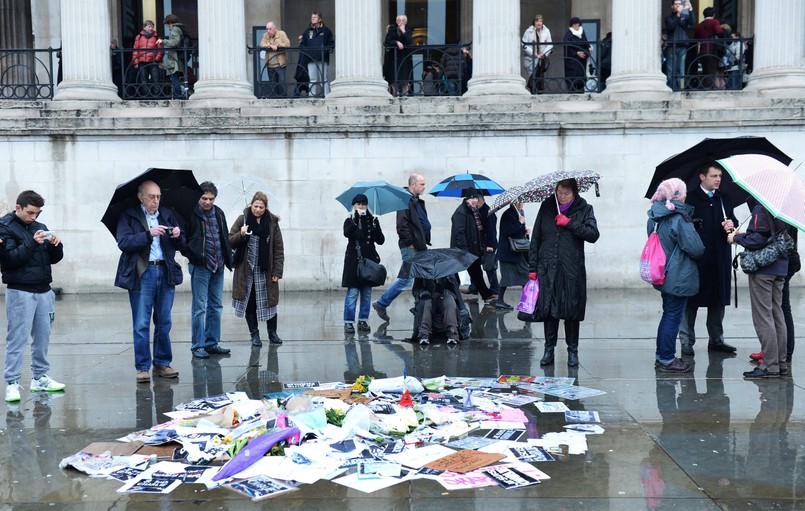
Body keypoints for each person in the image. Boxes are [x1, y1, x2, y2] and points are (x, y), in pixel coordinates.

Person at [115, 180, 185, 383]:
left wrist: (178, 235)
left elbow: (182, 243)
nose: (156, 201)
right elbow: (124, 242)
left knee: (164, 320)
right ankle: (143, 367)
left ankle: (162, 362)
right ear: (141, 197)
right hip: (142, 272)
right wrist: (148, 234)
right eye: (152, 197)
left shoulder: (166, 213)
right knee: (141, 322)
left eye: (158, 196)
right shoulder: (129, 215)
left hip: (165, 270)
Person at [526, 178, 599, 367]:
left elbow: (593, 235)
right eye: (559, 192)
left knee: (571, 310)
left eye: (566, 193)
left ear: (574, 193)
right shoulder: (547, 207)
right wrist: (532, 268)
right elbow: (536, 238)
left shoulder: (585, 208)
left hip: (571, 268)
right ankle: (548, 350)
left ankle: (572, 351)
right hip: (547, 268)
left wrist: (569, 223)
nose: (562, 196)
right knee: (549, 311)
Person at [0, 191, 65, 403]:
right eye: (30, 213)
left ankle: (40, 378)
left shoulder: (40, 227)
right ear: (18, 208)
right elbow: (9, 260)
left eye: (37, 213)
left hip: (44, 290)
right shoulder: (4, 227)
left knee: (43, 337)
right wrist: (32, 243)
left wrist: (56, 245)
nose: (34, 217)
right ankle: (11, 382)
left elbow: (54, 259)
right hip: (20, 291)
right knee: (17, 338)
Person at [678, 163, 738, 356]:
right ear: (702, 177)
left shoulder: (724, 198)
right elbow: (684, 227)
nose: (718, 179)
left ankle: (716, 340)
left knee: (717, 301)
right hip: (697, 259)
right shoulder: (691, 199)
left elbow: (733, 223)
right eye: (714, 176)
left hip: (719, 258)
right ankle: (687, 341)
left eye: (719, 175)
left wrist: (732, 224)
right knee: (691, 302)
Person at [647, 178, 705, 373]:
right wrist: (693, 232)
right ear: (679, 195)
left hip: (663, 273)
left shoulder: (655, 216)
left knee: (668, 314)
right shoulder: (678, 218)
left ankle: (661, 355)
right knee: (673, 316)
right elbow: (696, 248)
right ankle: (666, 358)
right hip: (678, 275)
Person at [728, 199, 788, 378]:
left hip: (764, 269)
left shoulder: (760, 208)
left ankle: (770, 366)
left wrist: (736, 237)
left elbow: (758, 239)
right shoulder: (781, 208)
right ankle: (780, 363)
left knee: (763, 317)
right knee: (777, 315)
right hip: (779, 267)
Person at [181, 181, 233, 359]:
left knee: (216, 306)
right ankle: (197, 346)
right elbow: (183, 240)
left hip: (218, 265)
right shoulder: (191, 213)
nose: (208, 202)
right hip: (201, 266)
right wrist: (194, 256)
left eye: (211, 198)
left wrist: (228, 258)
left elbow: (224, 236)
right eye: (204, 198)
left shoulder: (219, 213)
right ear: (199, 197)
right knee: (199, 308)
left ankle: (212, 343)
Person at [372, 173, 430, 321]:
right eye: (421, 184)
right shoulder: (405, 200)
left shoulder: (416, 201)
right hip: (411, 246)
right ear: (412, 185)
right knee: (406, 279)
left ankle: (419, 306)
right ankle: (381, 303)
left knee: (422, 277)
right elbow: (401, 225)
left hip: (419, 245)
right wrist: (410, 241)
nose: (424, 187)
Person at [230, 192, 285, 346]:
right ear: (251, 205)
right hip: (246, 271)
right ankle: (254, 335)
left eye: (261, 207)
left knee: (270, 302)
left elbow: (278, 248)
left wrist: (277, 272)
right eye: (256, 206)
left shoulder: (272, 223)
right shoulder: (243, 219)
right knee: (250, 303)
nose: (258, 210)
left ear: (266, 207)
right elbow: (229, 240)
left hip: (266, 270)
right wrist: (241, 234)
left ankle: (272, 333)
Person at [341, 194, 385, 334]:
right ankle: (348, 322)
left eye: (364, 204)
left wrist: (376, 225)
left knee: (366, 294)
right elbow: (349, 234)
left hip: (369, 262)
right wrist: (356, 220)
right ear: (354, 206)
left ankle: (363, 321)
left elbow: (380, 240)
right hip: (354, 262)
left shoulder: (372, 220)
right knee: (353, 293)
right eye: (359, 204)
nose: (361, 207)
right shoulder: (350, 220)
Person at [450, 189, 497, 303]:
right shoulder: (461, 212)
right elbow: (459, 233)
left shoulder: (472, 211)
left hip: (473, 249)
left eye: (476, 198)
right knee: (455, 274)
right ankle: (449, 295)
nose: (475, 200)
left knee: (476, 273)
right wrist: (465, 251)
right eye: (473, 198)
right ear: (467, 199)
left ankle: (486, 294)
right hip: (463, 250)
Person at [496, 200, 530, 310]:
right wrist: (519, 223)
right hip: (508, 252)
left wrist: (525, 232)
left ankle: (526, 301)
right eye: (518, 202)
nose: (520, 204)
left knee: (525, 275)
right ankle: (500, 301)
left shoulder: (520, 213)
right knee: (506, 278)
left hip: (518, 252)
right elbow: (507, 231)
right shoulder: (508, 214)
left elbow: (518, 232)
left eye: (522, 202)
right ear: (513, 203)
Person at [413, 276, 461, 345]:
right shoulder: (422, 271)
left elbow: (455, 289)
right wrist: (422, 293)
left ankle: (452, 333)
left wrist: (446, 288)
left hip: (444, 298)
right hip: (428, 300)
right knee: (426, 302)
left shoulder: (449, 270)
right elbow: (415, 290)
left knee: (449, 301)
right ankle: (424, 334)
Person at [299, 11, 334, 98]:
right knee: (312, 79)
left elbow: (331, 44)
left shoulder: (326, 31)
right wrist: (308, 52)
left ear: (320, 19)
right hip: (311, 59)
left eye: (314, 17)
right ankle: (312, 97)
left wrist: (326, 51)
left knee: (324, 79)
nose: (312, 19)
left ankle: (327, 96)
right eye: (312, 17)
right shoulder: (307, 31)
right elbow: (302, 44)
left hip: (322, 58)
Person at [664, 0, 695, 90]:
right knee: (670, 70)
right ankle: (671, 89)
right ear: (672, 6)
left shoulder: (684, 17)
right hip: (672, 46)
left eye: (679, 4)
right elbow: (671, 26)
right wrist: (678, 15)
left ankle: (680, 89)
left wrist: (690, 9)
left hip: (682, 45)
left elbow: (692, 22)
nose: (677, 6)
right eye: (675, 4)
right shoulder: (669, 18)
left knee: (681, 70)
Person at [694, 7, 725, 89]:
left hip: (702, 51)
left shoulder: (699, 25)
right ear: (713, 14)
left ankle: (704, 87)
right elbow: (719, 32)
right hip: (712, 50)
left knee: (705, 71)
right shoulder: (714, 22)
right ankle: (708, 89)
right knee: (711, 71)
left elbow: (696, 38)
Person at [131, 20, 163, 98]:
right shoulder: (139, 37)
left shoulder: (156, 37)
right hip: (142, 62)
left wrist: (157, 59)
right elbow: (135, 50)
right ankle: (146, 97)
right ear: (144, 27)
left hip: (153, 62)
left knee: (156, 81)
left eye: (152, 26)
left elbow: (161, 50)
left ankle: (156, 98)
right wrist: (135, 62)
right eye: (149, 26)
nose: (151, 28)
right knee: (143, 81)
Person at [522, 14, 553, 93]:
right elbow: (523, 45)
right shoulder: (528, 31)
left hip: (541, 58)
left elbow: (550, 44)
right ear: (534, 22)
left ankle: (539, 92)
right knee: (532, 77)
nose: (539, 23)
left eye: (540, 21)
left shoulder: (546, 31)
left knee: (540, 77)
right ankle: (533, 91)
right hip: (531, 59)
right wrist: (535, 54)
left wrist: (544, 54)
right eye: (537, 21)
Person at [383, 15, 413, 96]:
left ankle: (404, 94)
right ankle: (395, 93)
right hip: (394, 58)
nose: (401, 22)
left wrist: (403, 31)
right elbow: (387, 42)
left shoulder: (408, 31)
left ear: (406, 22)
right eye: (399, 20)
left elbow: (409, 41)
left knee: (405, 77)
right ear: (396, 22)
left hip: (405, 58)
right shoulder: (392, 31)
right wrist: (396, 42)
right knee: (393, 77)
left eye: (403, 20)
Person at [158, 14, 186, 99]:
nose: (167, 26)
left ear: (170, 22)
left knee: (174, 78)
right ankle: (177, 96)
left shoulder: (175, 29)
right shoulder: (179, 29)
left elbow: (175, 42)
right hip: (176, 58)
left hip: (174, 59)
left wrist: (163, 41)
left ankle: (178, 96)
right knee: (175, 77)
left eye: (167, 24)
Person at [260, 21, 291, 97]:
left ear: (275, 29)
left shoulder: (281, 34)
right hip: (270, 64)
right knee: (273, 84)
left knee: (281, 82)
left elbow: (287, 44)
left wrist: (278, 45)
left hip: (280, 64)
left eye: (270, 29)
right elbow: (262, 45)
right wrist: (270, 45)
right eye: (267, 29)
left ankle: (283, 99)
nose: (268, 31)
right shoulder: (265, 35)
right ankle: (275, 99)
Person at [563, 17, 592, 93]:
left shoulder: (582, 32)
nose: (576, 25)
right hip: (572, 62)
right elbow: (567, 47)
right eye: (574, 24)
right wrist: (576, 53)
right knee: (572, 81)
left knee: (580, 81)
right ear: (571, 25)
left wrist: (588, 47)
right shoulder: (568, 34)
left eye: (577, 23)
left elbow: (585, 41)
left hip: (581, 61)